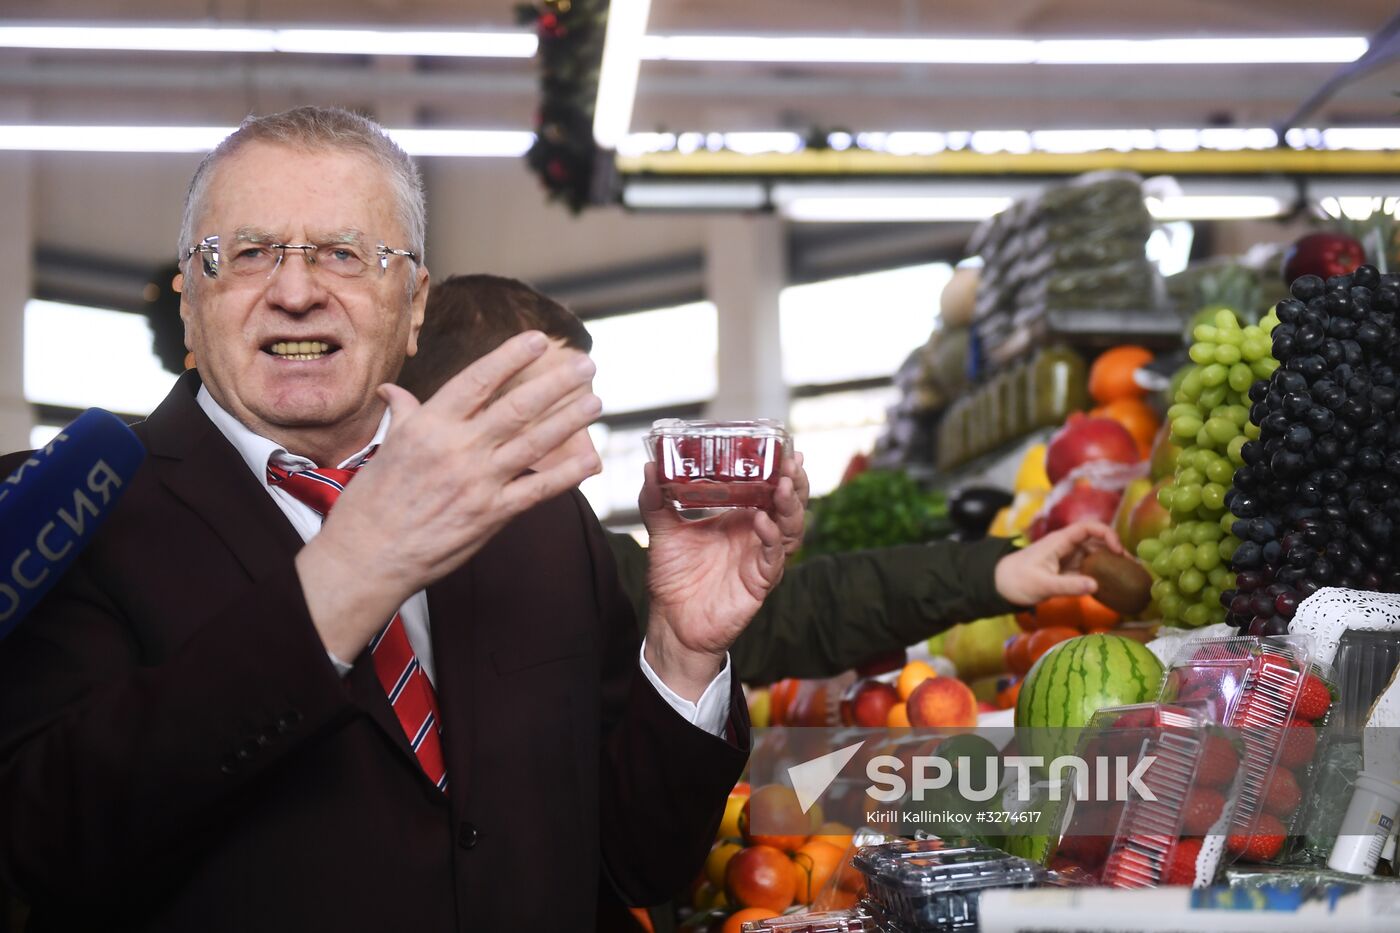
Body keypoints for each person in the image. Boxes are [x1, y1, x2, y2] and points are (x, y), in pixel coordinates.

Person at [0, 107, 808, 932]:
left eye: (345, 254)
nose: (295, 290)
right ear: (189, 297)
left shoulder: (534, 517)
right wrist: (352, 569)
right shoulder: (67, 515)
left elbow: (638, 857)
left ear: (414, 302)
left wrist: (682, 654)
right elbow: (50, 845)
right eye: (247, 254)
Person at [397, 274, 1123, 688]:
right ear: (456, 408)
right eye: (549, 415)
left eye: (585, 416)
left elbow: (780, 619)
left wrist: (995, 569)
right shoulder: (341, 575)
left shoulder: (570, 556)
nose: (585, 455)